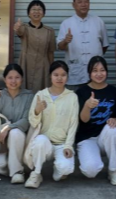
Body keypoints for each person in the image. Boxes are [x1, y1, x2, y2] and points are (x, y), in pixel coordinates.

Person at [24, 61, 79, 189]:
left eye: (63, 75)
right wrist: (37, 111)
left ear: (67, 76)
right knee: (40, 140)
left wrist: (68, 146)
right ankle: (36, 173)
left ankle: (58, 170)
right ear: (50, 76)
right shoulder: (41, 95)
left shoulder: (72, 97)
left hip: (61, 144)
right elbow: (33, 122)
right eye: (56, 75)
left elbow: (73, 124)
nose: (59, 78)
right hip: (44, 143)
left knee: (66, 169)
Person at [76, 57, 116, 186]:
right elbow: (83, 119)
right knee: (90, 171)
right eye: (95, 70)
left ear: (107, 71)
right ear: (89, 73)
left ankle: (113, 170)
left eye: (102, 70)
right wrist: (87, 106)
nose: (99, 74)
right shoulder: (81, 92)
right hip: (87, 138)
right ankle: (93, 158)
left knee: (113, 130)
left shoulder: (114, 92)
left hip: (106, 138)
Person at [0, 64, 35, 184]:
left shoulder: (29, 96)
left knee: (15, 133)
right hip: (1, 140)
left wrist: (8, 127)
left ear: (22, 79)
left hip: (21, 139)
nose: (13, 81)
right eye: (10, 77)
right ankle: (10, 171)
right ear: (5, 79)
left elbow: (27, 120)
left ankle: (17, 172)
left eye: (17, 77)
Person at [57, 0, 109, 89]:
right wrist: (65, 41)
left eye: (86, 2)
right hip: (75, 72)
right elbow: (60, 47)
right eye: (79, 2)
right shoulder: (66, 23)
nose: (83, 4)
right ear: (73, 5)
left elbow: (104, 45)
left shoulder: (98, 21)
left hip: (95, 74)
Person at [14, 0, 56, 92]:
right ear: (29, 13)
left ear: (43, 13)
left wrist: (52, 70)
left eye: (39, 9)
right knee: (24, 92)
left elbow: (50, 52)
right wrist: (17, 28)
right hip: (26, 65)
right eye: (33, 9)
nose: (36, 12)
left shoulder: (49, 31)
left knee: (42, 93)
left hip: (43, 67)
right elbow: (19, 32)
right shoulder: (24, 28)